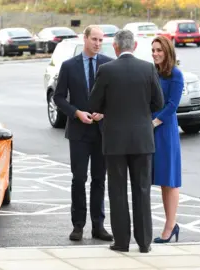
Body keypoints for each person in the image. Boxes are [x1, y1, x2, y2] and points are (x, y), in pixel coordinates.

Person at [88, 29, 164, 253]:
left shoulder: (106, 70)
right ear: (136, 45)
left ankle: (121, 242)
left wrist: (108, 110)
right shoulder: (148, 68)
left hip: (115, 140)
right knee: (142, 190)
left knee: (118, 191)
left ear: (115, 47)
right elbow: (158, 103)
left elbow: (94, 103)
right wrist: (141, 113)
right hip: (142, 138)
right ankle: (144, 243)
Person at [53, 25, 114, 242]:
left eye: (101, 40)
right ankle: (77, 225)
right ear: (85, 38)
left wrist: (104, 113)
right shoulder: (69, 66)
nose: (98, 44)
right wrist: (76, 112)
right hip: (78, 131)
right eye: (94, 39)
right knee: (79, 179)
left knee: (99, 179)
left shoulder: (108, 64)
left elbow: (114, 97)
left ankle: (98, 226)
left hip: (100, 132)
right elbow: (58, 97)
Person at [150, 35, 183, 243]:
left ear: (168, 51)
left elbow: (172, 106)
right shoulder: (153, 72)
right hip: (151, 128)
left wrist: (154, 122)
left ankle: (170, 226)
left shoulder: (176, 75)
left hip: (165, 130)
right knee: (162, 180)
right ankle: (170, 224)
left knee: (170, 181)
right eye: (153, 50)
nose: (155, 53)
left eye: (159, 50)